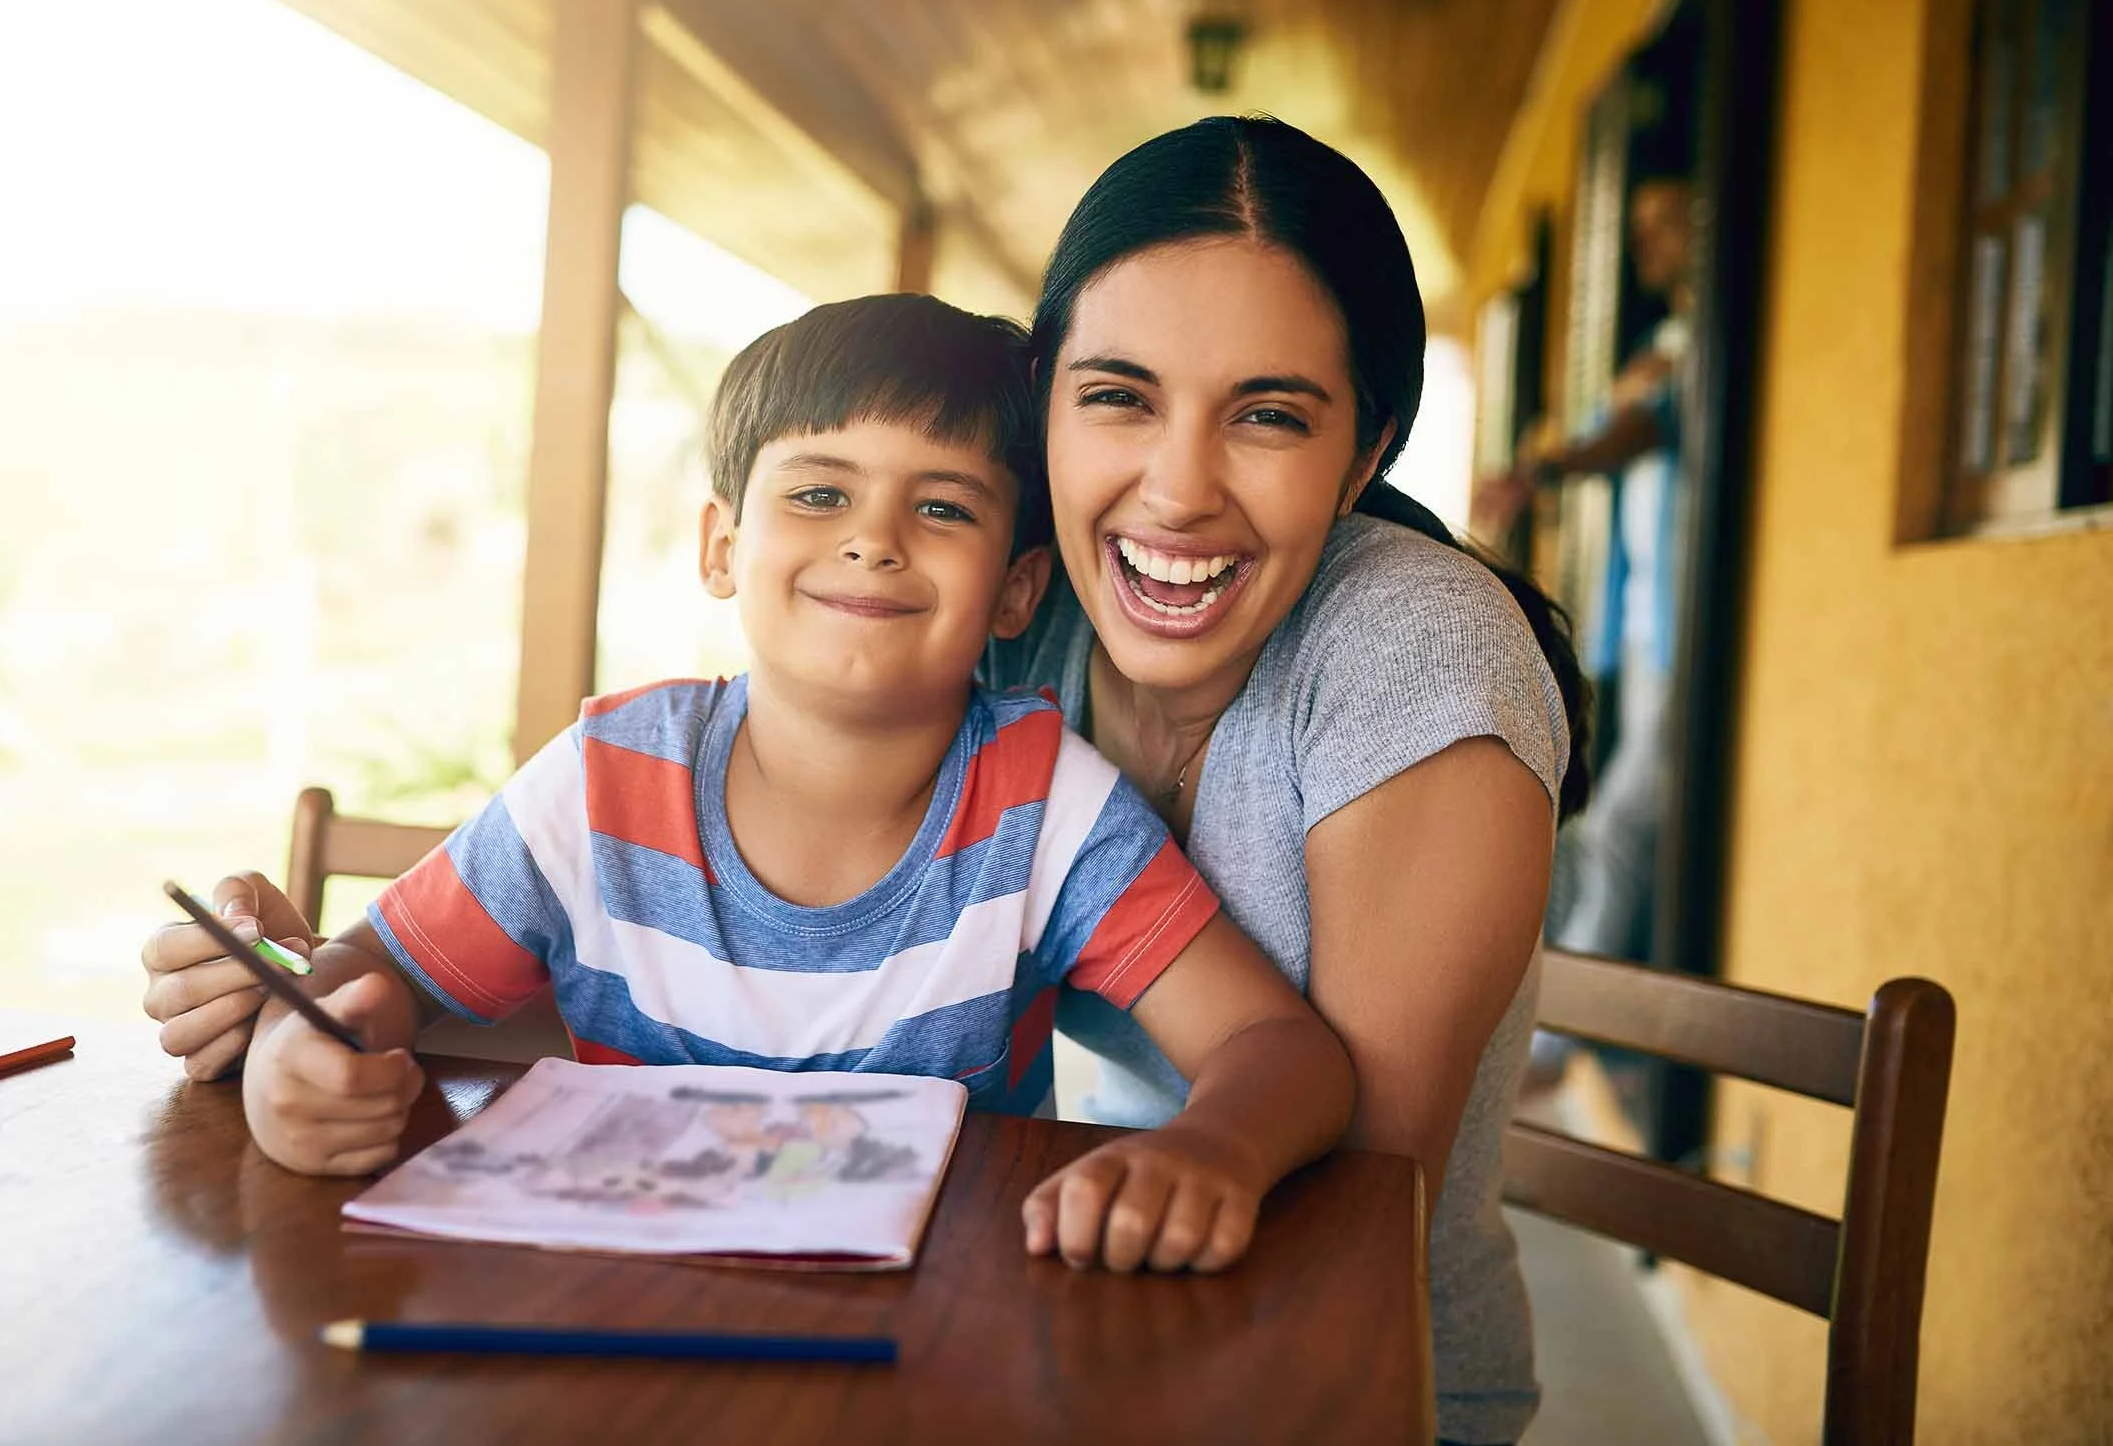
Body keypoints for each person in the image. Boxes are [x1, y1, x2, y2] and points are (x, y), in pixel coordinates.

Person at [140, 294, 1356, 1274]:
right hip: (605, 1316)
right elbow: (371, 982)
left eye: (941, 507)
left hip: (931, 1349)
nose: (872, 538)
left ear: (1016, 592)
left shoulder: (1046, 809)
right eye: (819, 493)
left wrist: (1216, 1148)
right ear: (725, 546)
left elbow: (1281, 1049)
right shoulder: (606, 781)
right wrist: (302, 1062)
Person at [985, 115, 1589, 1446]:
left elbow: (1360, 1214)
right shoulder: (1016, 620)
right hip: (1079, 1319)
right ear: (1046, 404)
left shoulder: (1416, 653)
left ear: (1362, 453)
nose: (1179, 489)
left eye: (1267, 415)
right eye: (1118, 395)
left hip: (1357, 1381)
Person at [1474, 176, 1693, 1035]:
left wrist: (1546, 470)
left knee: (1629, 818)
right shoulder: (1656, 344)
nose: (1645, 249)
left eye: (1661, 225)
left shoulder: (1696, 345)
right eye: (1636, 230)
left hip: (1678, 632)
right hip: (1640, 623)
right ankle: (1565, 1020)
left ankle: (1572, 1029)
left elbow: (1633, 431)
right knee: (1602, 818)